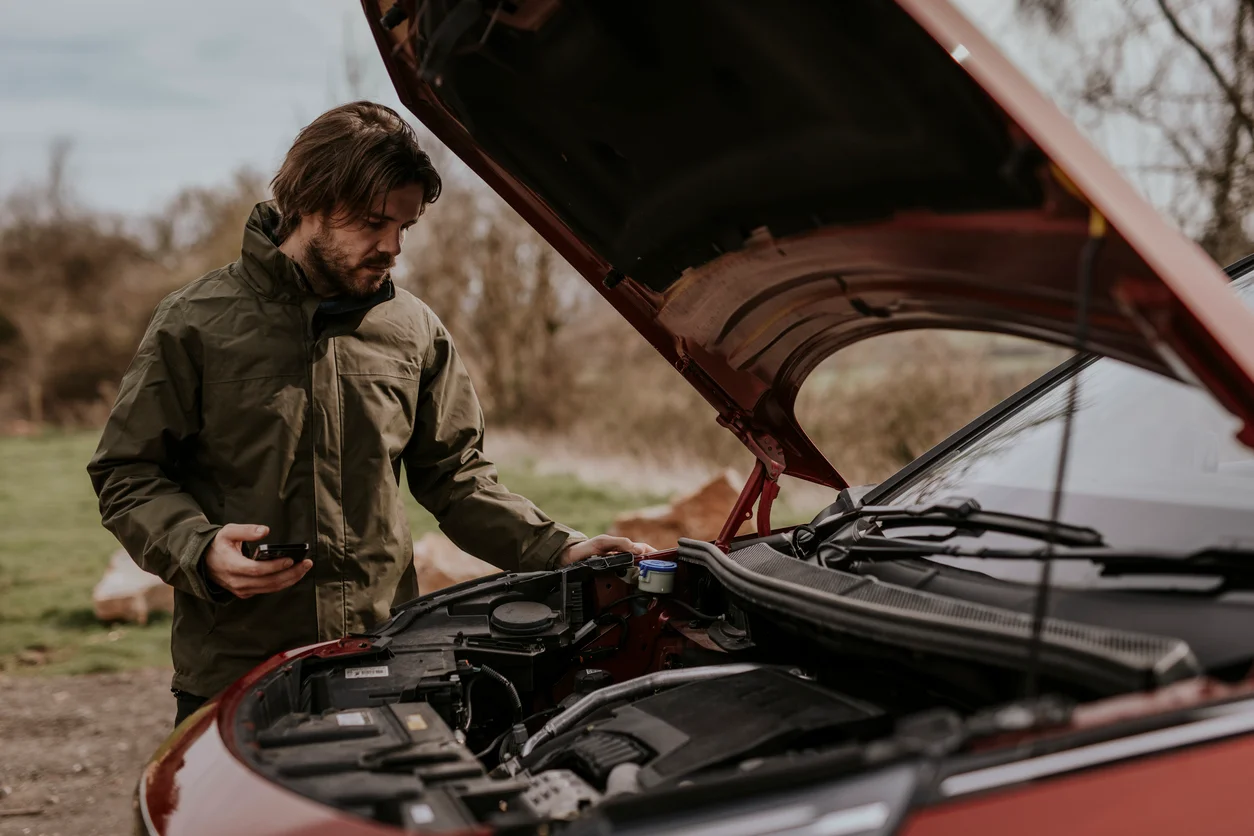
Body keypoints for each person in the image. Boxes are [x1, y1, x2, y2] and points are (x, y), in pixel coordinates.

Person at [87, 102, 651, 726]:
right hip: (236, 674)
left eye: (405, 227)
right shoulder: (194, 322)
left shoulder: (414, 331)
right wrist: (198, 549)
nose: (393, 247)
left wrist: (561, 550)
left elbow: (458, 481)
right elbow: (126, 474)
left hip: (385, 660)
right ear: (307, 203)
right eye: (373, 223)